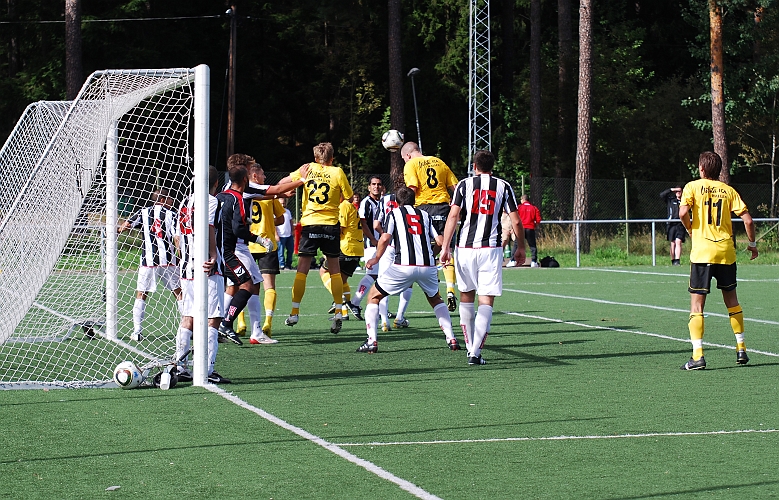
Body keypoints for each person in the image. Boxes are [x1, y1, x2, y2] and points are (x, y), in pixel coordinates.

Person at [441, 150, 525, 365]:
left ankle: (471, 347)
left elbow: (453, 215)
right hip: (491, 249)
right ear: (492, 166)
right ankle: (475, 352)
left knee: (466, 296)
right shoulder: (503, 186)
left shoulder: (463, 185)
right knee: (486, 299)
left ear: (474, 166)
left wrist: (446, 247)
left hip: (465, 248)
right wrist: (520, 247)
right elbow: (515, 221)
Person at [678, 151, 758, 370]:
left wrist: (690, 228)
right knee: (732, 301)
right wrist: (752, 244)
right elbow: (748, 221)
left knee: (697, 305)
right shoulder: (729, 190)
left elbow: (683, 212)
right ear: (719, 170)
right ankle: (741, 348)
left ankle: (698, 356)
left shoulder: (692, 187)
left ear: (701, 169)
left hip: (702, 253)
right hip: (725, 252)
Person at [215, 155, 307, 344]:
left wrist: (280, 195)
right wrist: (302, 179)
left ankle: (236, 328)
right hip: (237, 246)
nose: (252, 172)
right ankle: (226, 324)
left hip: (232, 245)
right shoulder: (242, 188)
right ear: (245, 173)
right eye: (250, 169)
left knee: (245, 284)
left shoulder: (227, 189)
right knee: (248, 284)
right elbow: (277, 188)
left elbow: (269, 193)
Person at [357, 187, 460, 353]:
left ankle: (372, 341)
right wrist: (434, 255)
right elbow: (440, 241)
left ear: (396, 202)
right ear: (415, 201)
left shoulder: (394, 213)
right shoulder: (425, 215)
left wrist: (376, 257)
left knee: (374, 296)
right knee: (436, 300)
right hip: (428, 266)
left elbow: (385, 237)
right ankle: (452, 338)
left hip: (403, 266)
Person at [284, 142, 353, 333]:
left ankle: (294, 312)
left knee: (302, 270)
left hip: (310, 223)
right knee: (335, 271)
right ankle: (339, 310)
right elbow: (348, 196)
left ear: (316, 158)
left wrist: (291, 188)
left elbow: (282, 183)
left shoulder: (307, 168)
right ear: (332, 158)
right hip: (331, 224)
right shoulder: (338, 172)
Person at [175, 166, 230, 384]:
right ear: (216, 184)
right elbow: (208, 228)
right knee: (213, 318)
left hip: (186, 267)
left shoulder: (184, 202)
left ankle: (180, 366)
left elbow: (178, 238)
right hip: (207, 268)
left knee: (188, 316)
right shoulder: (211, 200)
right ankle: (206, 369)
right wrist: (213, 255)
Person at [401, 141, 459, 311]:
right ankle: (450, 288)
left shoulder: (411, 164)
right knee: (445, 247)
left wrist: (406, 208)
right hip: (443, 206)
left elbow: (412, 187)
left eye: (404, 159)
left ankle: (432, 290)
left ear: (409, 155)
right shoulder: (439, 162)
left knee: (422, 251)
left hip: (424, 208)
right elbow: (455, 187)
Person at [118, 188, 181, 342]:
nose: (172, 201)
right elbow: (177, 237)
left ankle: (137, 332)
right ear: (163, 200)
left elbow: (126, 225)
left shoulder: (143, 212)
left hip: (148, 261)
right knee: (179, 294)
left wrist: (118, 229)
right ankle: (187, 328)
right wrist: (180, 255)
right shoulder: (172, 215)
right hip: (169, 261)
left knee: (141, 294)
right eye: (170, 198)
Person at [246, 163, 287, 344]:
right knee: (269, 286)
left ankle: (241, 324)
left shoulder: (243, 194)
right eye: (262, 174)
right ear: (255, 176)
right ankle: (268, 323)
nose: (264, 177)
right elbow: (281, 218)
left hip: (247, 245)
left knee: (245, 287)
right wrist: (268, 219)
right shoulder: (268, 195)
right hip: (267, 245)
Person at [320, 197, 364, 321]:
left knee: (323, 271)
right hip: (356, 250)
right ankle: (345, 312)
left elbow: (339, 229)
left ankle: (342, 299)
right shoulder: (350, 206)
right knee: (342, 281)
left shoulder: (343, 206)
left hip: (345, 248)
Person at [347, 176, 385, 321]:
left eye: (379, 184)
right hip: (371, 244)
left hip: (381, 244)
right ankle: (355, 302)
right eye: (373, 184)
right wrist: (373, 239)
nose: (376, 186)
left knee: (380, 275)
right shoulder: (366, 203)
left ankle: (382, 309)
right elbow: (363, 222)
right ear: (369, 187)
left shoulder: (381, 202)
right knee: (373, 275)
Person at [660, 185, 685, 266]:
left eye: (679, 191)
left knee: (679, 241)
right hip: (671, 224)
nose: (678, 193)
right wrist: (672, 189)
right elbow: (662, 195)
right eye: (677, 191)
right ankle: (673, 259)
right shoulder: (670, 200)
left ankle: (677, 260)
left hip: (680, 224)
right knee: (673, 243)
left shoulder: (684, 201)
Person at [517, 194, 542, 268]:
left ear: (522, 199)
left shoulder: (519, 207)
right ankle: (534, 261)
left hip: (521, 229)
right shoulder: (534, 208)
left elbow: (516, 218)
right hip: (530, 228)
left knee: (517, 244)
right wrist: (535, 225)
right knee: (532, 245)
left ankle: (513, 260)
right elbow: (538, 220)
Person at [276, 198, 294, 270]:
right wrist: (276, 235)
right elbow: (274, 225)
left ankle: (288, 264)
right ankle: (281, 265)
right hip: (281, 235)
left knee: (290, 250)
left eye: (283, 203)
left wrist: (292, 231)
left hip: (288, 235)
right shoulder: (276, 212)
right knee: (280, 252)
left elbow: (291, 222)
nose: (282, 205)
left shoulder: (288, 211)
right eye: (280, 203)